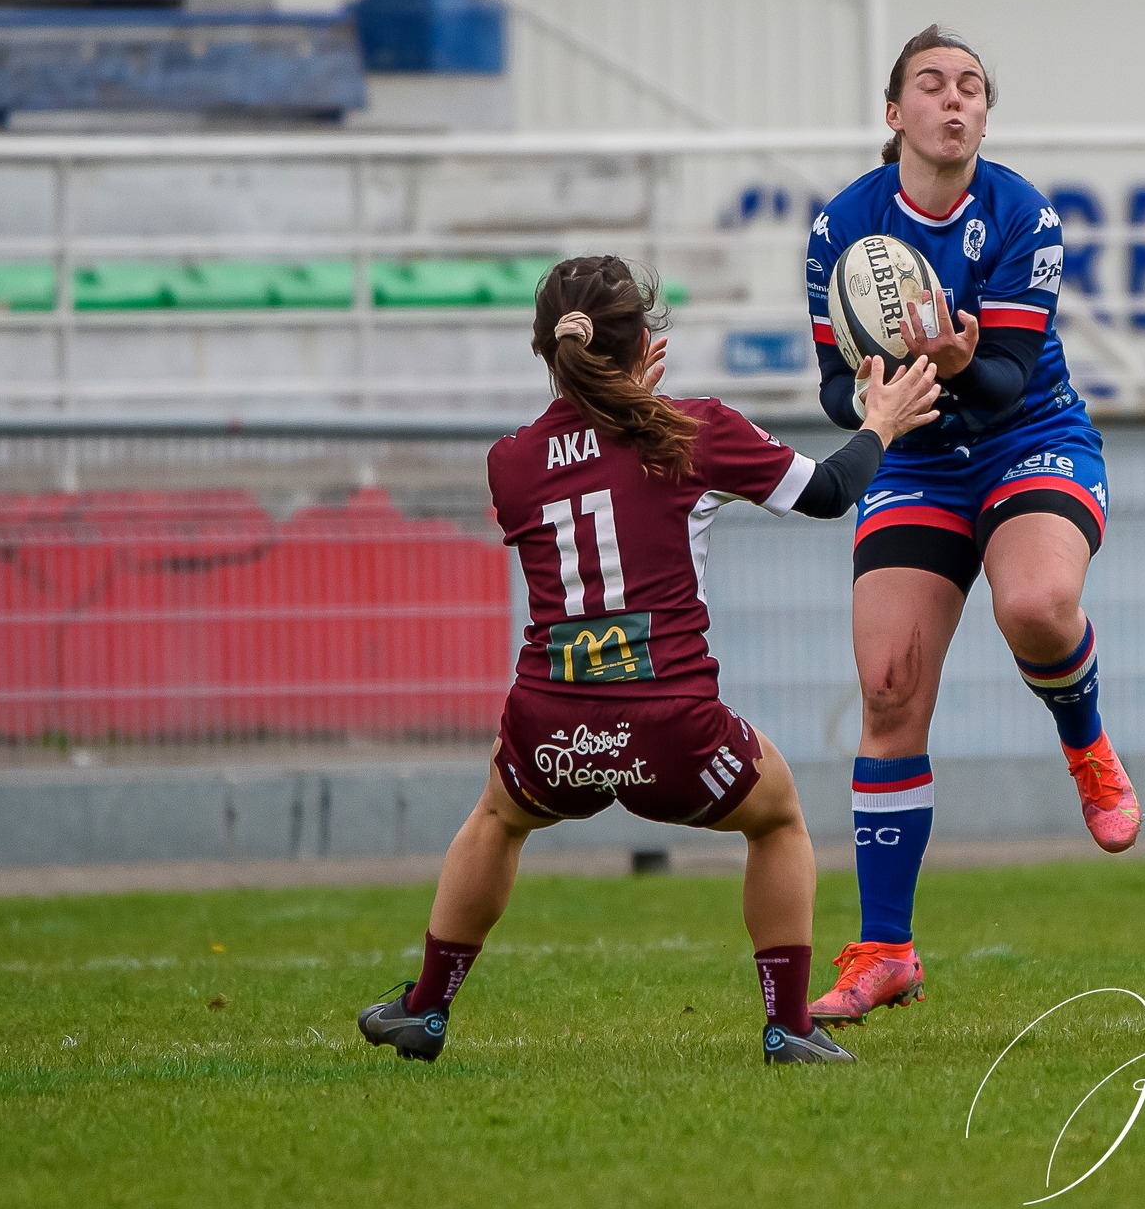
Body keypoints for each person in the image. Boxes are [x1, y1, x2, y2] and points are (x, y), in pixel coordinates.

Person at [358, 255, 942, 1066]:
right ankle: (787, 1025)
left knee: (497, 817)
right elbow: (830, 492)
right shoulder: (692, 430)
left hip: (552, 727)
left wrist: (622, 392)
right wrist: (880, 423)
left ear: (546, 352)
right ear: (643, 346)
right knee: (776, 818)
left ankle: (426, 1009)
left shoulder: (510, 463)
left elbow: (588, 458)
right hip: (671, 729)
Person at [802, 26, 1142, 1028]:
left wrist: (950, 359)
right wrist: (864, 393)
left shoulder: (1021, 213)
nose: (953, 101)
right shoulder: (842, 228)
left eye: (971, 88)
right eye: (930, 85)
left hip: (1026, 437)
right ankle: (883, 949)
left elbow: (997, 389)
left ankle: (1083, 742)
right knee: (888, 687)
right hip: (910, 455)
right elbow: (829, 385)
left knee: (1035, 605)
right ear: (893, 111)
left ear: (984, 115)